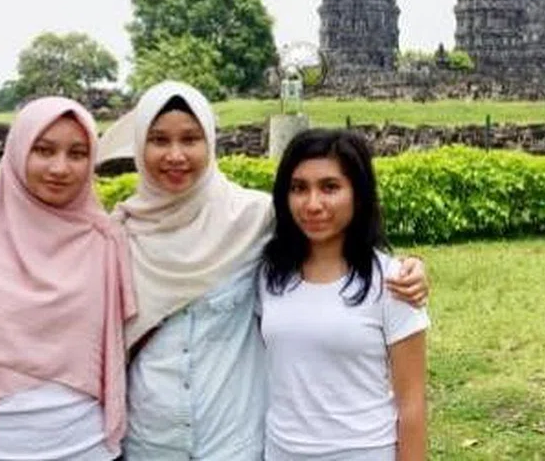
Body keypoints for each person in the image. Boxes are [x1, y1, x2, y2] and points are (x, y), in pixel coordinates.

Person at [98, 82, 428, 460]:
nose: (176, 155)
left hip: (233, 442)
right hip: (150, 441)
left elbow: (329, 240)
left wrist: (412, 269)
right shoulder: (115, 236)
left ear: (210, 143)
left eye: (190, 139)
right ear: (140, 145)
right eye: (159, 140)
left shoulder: (251, 220)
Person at [0, 98, 135, 461]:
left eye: (77, 154)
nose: (60, 168)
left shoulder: (105, 243)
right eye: (43, 150)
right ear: (17, 152)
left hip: (87, 447)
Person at [258, 129, 429, 461]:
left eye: (330, 187)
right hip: (281, 451)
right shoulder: (268, 274)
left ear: (358, 194)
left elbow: (412, 402)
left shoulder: (393, 281)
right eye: (298, 188)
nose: (312, 204)